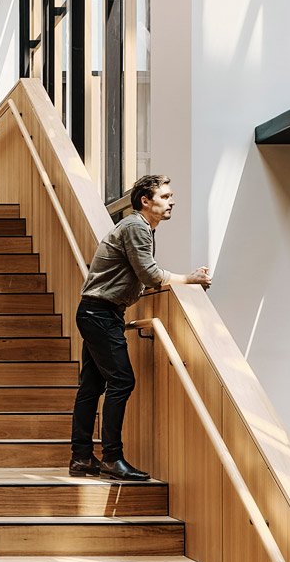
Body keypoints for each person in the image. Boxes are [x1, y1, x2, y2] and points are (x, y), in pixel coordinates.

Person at [71, 173, 211, 481]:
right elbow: (148, 274)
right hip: (100, 313)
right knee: (121, 381)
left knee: (93, 386)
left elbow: (139, 276)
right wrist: (190, 279)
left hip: (100, 311)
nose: (171, 200)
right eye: (164, 196)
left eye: (170, 195)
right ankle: (111, 458)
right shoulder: (136, 227)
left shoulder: (141, 228)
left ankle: (81, 457)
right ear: (145, 201)